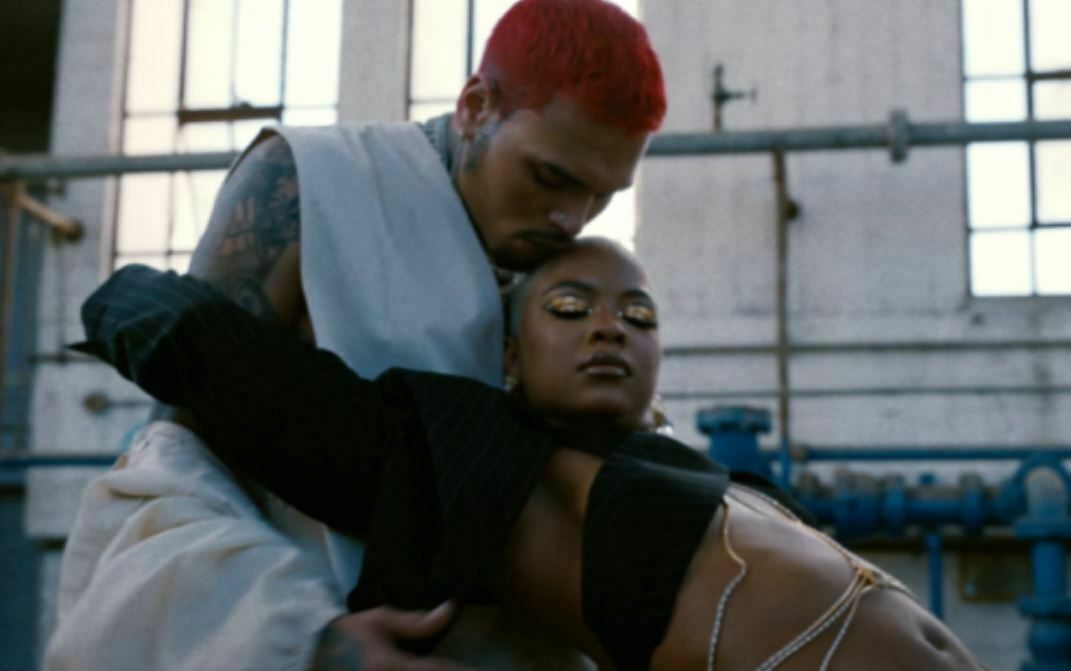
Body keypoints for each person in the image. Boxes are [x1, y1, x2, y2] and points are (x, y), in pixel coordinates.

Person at [45, 1, 665, 669]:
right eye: (550, 177)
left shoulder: (562, 272)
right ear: (475, 107)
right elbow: (170, 468)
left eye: (603, 194)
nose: (572, 217)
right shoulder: (313, 182)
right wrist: (303, 639)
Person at [75, 238, 985, 671]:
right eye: (570, 307)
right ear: (509, 355)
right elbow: (166, 321)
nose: (608, 327)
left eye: (637, 315)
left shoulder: (706, 474)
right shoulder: (463, 447)